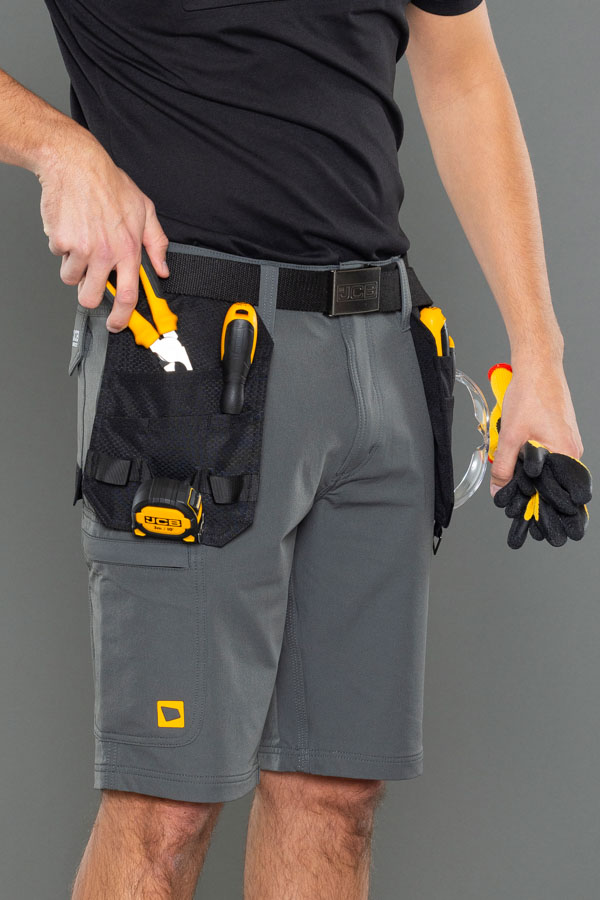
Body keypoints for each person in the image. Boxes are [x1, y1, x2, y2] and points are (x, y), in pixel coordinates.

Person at [0, 0, 583, 896]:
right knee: (164, 808)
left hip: (383, 344)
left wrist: (539, 352)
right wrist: (60, 149)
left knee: (336, 797)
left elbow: (462, 66)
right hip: (191, 349)